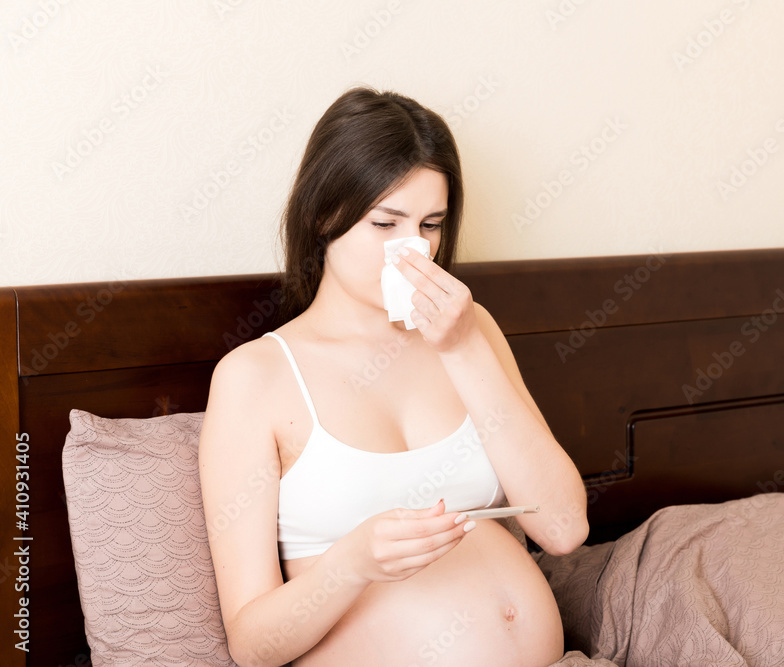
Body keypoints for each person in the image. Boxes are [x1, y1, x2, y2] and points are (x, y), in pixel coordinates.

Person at [199, 86, 589, 667]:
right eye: (386, 223)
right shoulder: (255, 378)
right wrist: (351, 564)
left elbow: (561, 527)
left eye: (430, 224)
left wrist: (462, 350)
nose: (414, 250)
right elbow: (253, 646)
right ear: (323, 214)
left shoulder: (470, 329)